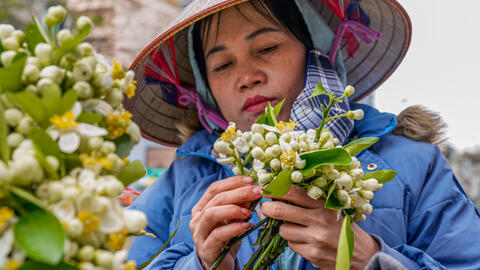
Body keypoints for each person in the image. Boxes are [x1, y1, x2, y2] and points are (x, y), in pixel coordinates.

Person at [124, 0, 480, 269]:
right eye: (222, 65)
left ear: (316, 52)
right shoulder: (182, 181)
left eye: (266, 48)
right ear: (205, 87)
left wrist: (369, 258)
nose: (246, 76)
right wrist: (203, 262)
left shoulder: (413, 164)